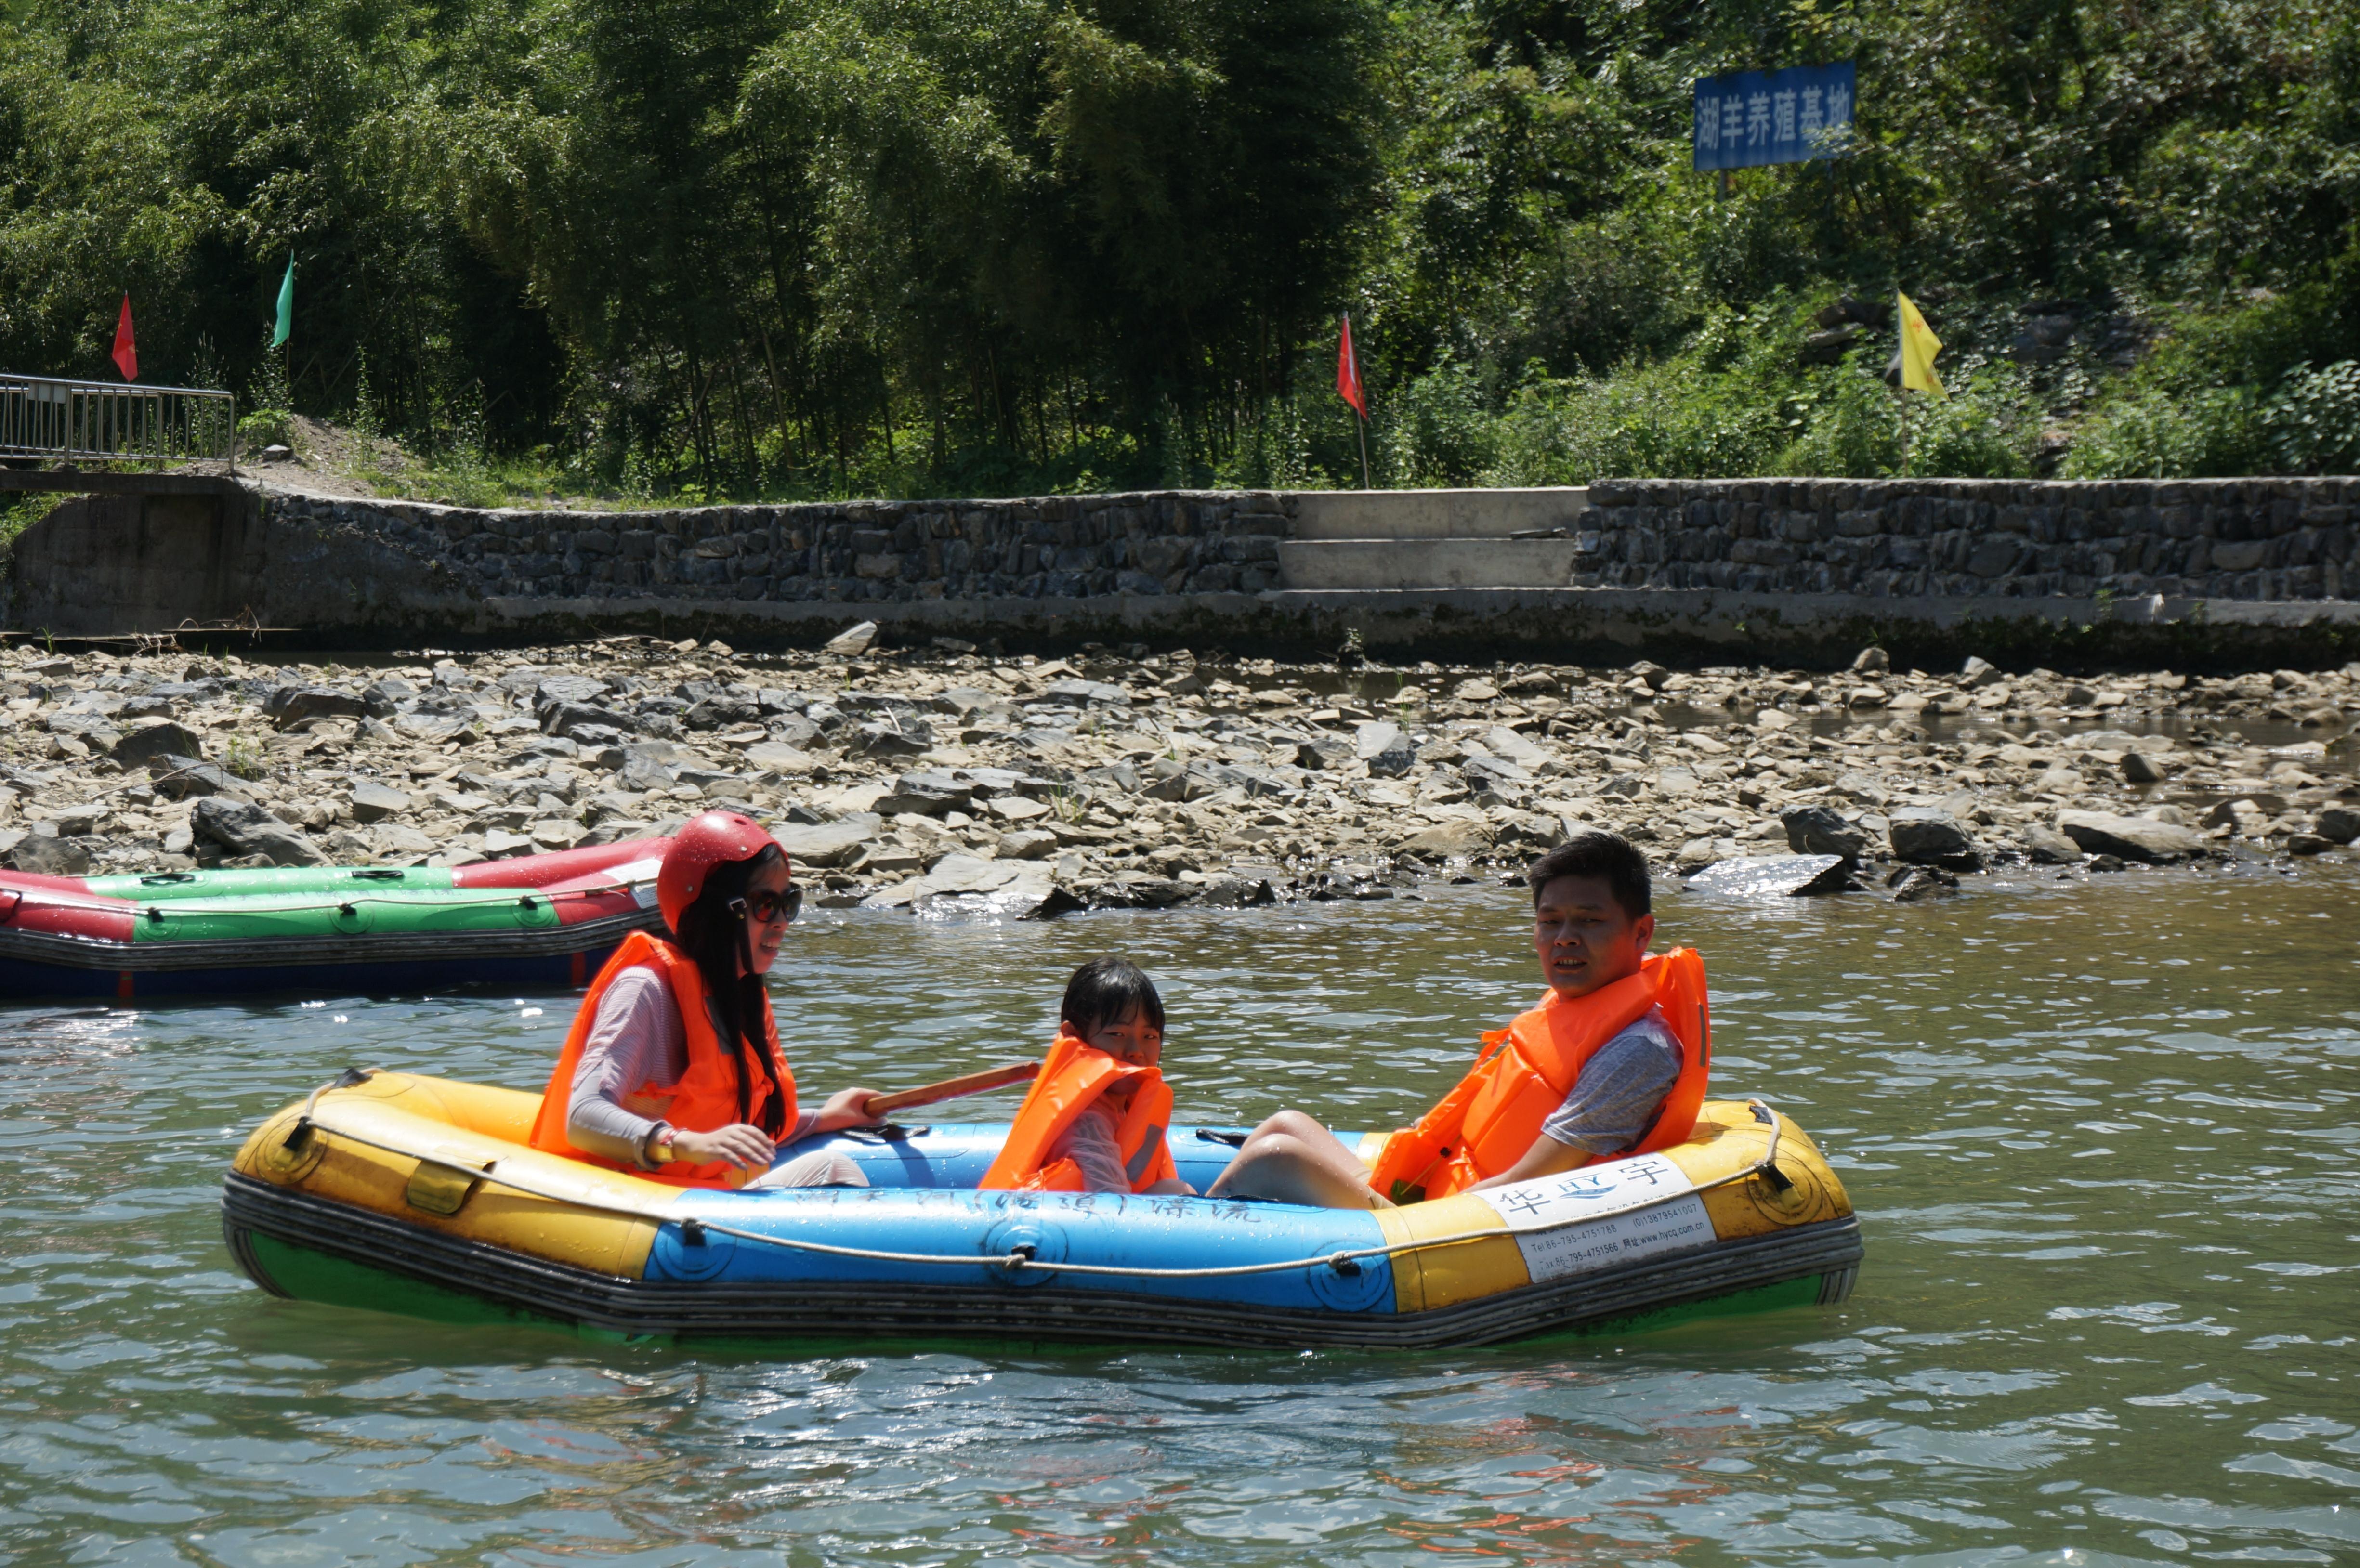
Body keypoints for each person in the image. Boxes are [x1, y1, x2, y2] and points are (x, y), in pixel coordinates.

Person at [1208, 830, 1710, 1208]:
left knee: (1274, 1155)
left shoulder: (1638, 1051)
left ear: (1642, 933)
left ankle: (1168, 1247)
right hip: (1439, 1193)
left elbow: (1529, 1181)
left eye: (1589, 920)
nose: (1564, 938)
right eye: (1549, 921)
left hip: (1459, 1228)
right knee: (1287, 1123)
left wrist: (1430, 1219)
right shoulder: (1565, 1011)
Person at [527, 810, 884, 1188]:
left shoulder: (737, 995)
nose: (781, 921)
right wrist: (682, 1144)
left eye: (788, 902)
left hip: (702, 1197)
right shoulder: (644, 990)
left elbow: (735, 1122)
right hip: (633, 1203)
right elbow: (582, 1116)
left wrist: (826, 1118)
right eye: (765, 903)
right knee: (834, 1167)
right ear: (716, 912)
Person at [979, 957, 1193, 1196]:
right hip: (1069, 1227)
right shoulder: (1086, 1121)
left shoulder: (1125, 1104)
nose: (1136, 1051)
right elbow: (1110, 1204)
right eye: (1117, 1034)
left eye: (1150, 1037)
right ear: (1075, 1036)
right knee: (1176, 1192)